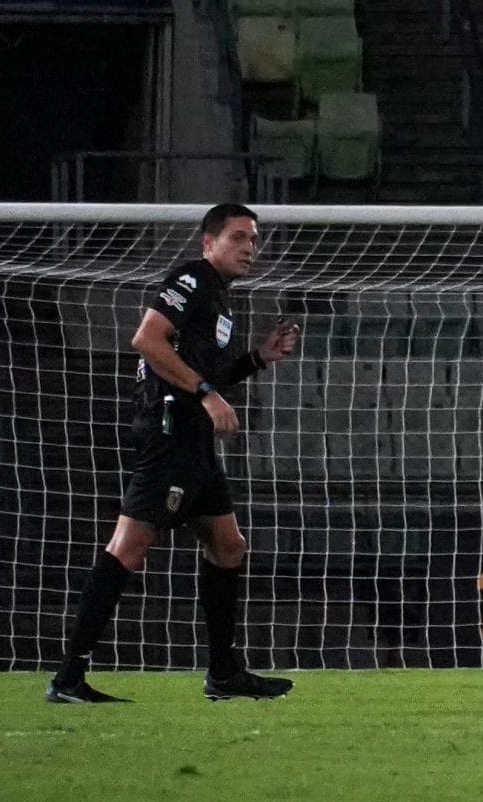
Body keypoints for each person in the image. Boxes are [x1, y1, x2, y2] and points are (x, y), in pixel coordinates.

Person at [45, 203, 301, 704]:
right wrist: (206, 392)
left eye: (254, 239)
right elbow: (147, 340)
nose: (251, 247)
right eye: (238, 237)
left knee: (228, 544)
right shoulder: (191, 278)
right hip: (170, 433)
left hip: (193, 438)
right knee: (129, 549)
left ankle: (224, 673)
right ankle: (68, 676)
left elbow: (202, 370)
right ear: (208, 242)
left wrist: (257, 359)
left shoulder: (219, 300)